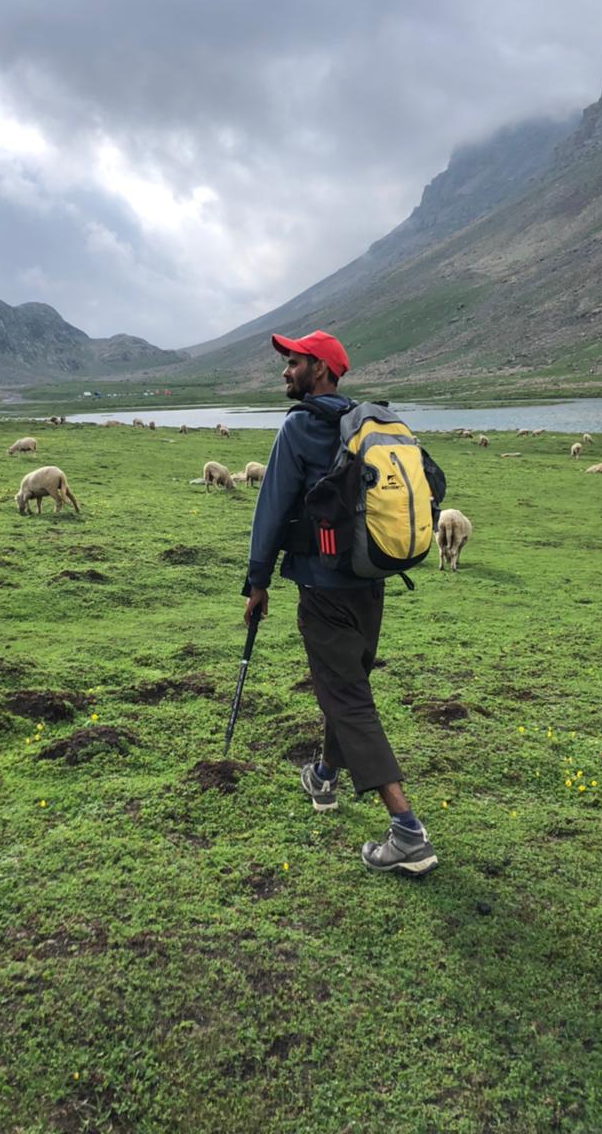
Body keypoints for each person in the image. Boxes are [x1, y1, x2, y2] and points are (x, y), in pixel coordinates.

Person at [242, 329, 437, 876]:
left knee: (348, 699)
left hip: (323, 591)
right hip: (370, 581)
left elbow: (272, 509)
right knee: (346, 686)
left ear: (321, 370)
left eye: (294, 362)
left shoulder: (301, 427)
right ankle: (324, 777)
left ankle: (407, 832)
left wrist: (257, 582)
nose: (285, 371)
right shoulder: (369, 426)